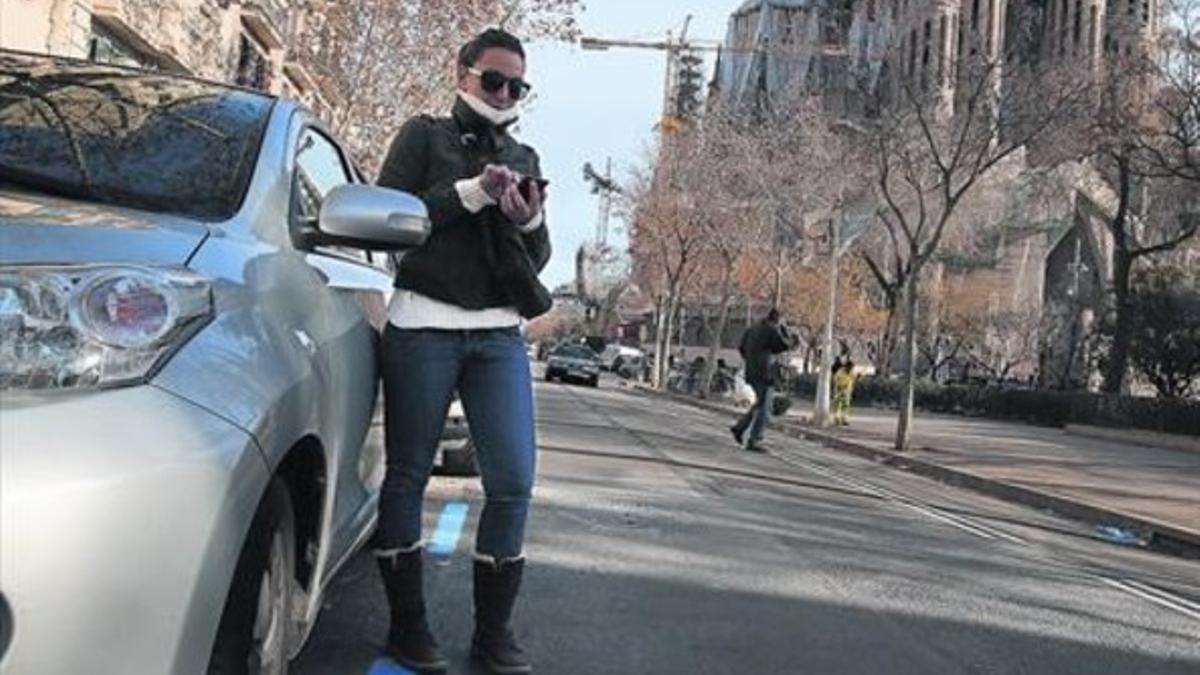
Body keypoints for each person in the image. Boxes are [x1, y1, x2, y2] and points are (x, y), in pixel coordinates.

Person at [372, 28, 550, 675]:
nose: (503, 94)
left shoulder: (525, 151)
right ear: (463, 73)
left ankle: (492, 636)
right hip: (423, 326)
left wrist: (525, 216)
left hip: (499, 334)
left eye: (514, 85)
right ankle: (408, 628)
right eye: (492, 80)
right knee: (408, 474)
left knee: (513, 481)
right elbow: (391, 218)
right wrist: (469, 193)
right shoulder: (423, 135)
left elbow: (539, 256)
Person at [730, 309, 797, 452]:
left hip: (752, 371)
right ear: (778, 320)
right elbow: (784, 346)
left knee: (760, 404)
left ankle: (740, 428)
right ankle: (754, 440)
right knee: (765, 408)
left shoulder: (751, 329)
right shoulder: (771, 330)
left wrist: (752, 359)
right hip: (765, 373)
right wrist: (785, 332)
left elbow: (742, 348)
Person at [832, 360, 857, 426]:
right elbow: (836, 380)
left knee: (846, 406)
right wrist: (839, 387)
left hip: (847, 392)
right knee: (838, 405)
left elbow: (853, 379)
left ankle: (844, 419)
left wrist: (858, 377)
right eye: (850, 367)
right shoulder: (840, 372)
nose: (851, 369)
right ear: (847, 367)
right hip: (839, 391)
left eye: (852, 368)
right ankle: (837, 419)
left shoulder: (851, 372)